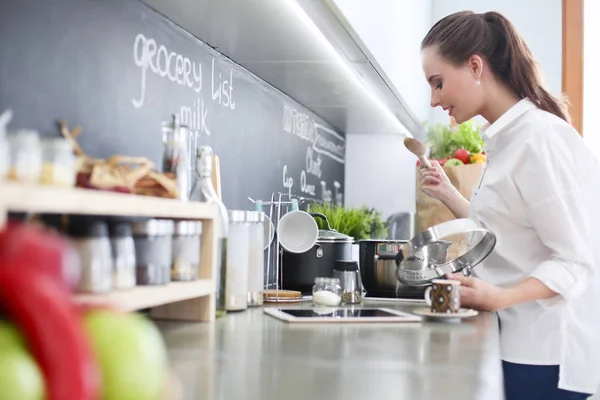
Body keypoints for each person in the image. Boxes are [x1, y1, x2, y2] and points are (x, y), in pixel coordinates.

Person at [419, 10, 600, 400]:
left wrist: (497, 296)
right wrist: (448, 192)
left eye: (438, 83)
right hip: (516, 340)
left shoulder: (538, 139)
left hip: (546, 354)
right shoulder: (508, 140)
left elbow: (574, 260)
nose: (434, 100)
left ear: (475, 65)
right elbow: (506, 233)